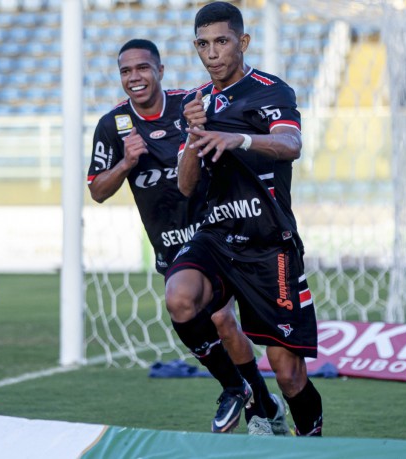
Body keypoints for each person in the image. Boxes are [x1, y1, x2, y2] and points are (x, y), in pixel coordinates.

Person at [87, 38, 289, 436]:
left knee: (220, 318)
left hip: (214, 235)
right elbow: (96, 190)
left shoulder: (190, 106)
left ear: (160, 70)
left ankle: (242, 395)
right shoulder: (113, 126)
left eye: (143, 68)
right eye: (126, 71)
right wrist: (127, 162)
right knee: (213, 323)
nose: (135, 78)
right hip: (169, 245)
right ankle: (262, 404)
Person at [166, 2, 323, 436]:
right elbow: (184, 186)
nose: (212, 53)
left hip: (268, 242)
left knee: (288, 372)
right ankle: (238, 388)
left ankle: (310, 440)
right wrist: (196, 137)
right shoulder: (197, 103)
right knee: (180, 297)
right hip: (217, 236)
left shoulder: (270, 90)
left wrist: (238, 139)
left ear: (243, 42)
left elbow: (290, 144)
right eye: (203, 44)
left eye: (221, 41)